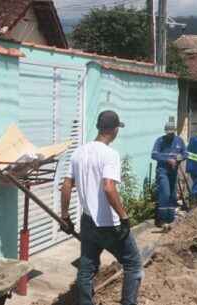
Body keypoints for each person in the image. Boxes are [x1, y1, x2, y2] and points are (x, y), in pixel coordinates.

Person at [60, 110, 142, 305]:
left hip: (88, 221)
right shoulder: (110, 154)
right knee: (133, 264)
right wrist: (123, 216)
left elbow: (65, 185)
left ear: (99, 128)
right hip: (109, 223)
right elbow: (108, 187)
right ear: (114, 130)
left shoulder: (78, 152)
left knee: (86, 269)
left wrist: (65, 216)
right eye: (117, 129)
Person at [151, 117, 186, 227]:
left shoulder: (179, 141)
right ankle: (161, 219)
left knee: (172, 195)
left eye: (171, 133)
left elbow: (185, 153)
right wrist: (167, 159)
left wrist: (180, 157)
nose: (169, 135)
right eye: (168, 133)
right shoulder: (160, 140)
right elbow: (154, 154)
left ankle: (170, 219)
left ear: (174, 132)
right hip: (163, 171)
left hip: (173, 172)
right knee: (165, 194)